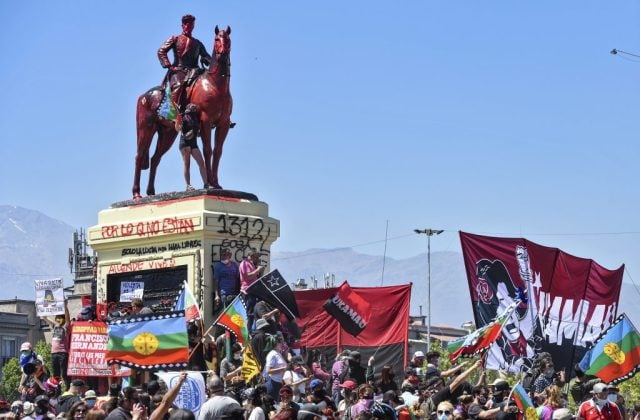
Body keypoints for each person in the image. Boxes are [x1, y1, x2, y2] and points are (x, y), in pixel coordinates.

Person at [157, 14, 211, 133]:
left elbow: (206, 55)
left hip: (195, 71)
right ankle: (173, 116)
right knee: (179, 85)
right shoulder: (174, 39)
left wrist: (213, 62)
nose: (189, 26)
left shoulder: (197, 43)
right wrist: (169, 65)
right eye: (186, 24)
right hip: (179, 70)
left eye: (191, 24)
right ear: (182, 25)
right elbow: (161, 51)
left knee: (211, 84)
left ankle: (216, 113)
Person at [179, 103, 209, 192]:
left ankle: (206, 184)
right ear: (188, 107)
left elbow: (198, 133)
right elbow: (178, 128)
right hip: (185, 142)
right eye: (192, 106)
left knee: (201, 162)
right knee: (187, 164)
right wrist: (178, 123)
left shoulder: (195, 118)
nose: (194, 106)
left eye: (195, 106)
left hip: (193, 143)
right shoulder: (184, 116)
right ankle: (188, 185)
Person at [42, 301, 71, 389]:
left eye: (60, 317)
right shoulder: (55, 326)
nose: (59, 319)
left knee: (64, 373)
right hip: (54, 353)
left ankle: (67, 388)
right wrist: (41, 307)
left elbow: (67, 318)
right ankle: (56, 390)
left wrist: (65, 307)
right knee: (55, 374)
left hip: (63, 353)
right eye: (57, 317)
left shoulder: (65, 327)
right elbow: (45, 317)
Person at [239, 250, 266, 330]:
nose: (258, 259)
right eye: (256, 257)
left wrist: (260, 271)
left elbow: (257, 278)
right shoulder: (244, 263)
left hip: (254, 291)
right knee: (250, 313)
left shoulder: (253, 265)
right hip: (248, 291)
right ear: (251, 256)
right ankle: (249, 331)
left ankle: (254, 329)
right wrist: (257, 270)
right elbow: (247, 276)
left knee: (256, 311)